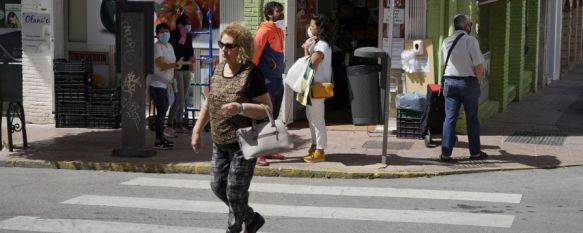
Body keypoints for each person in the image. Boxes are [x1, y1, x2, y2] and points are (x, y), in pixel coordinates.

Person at [191, 22, 272, 233]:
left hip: (243, 143)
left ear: (242, 48)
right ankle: (251, 218)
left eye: (229, 46)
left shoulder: (251, 73)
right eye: (222, 44)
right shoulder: (218, 69)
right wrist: (197, 130)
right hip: (219, 141)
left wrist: (241, 107)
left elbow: (266, 108)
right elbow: (210, 102)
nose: (224, 50)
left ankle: (234, 229)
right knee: (218, 187)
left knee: (235, 191)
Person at [439, 14, 488, 161]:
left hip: (450, 82)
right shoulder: (470, 40)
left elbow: (443, 63)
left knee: (450, 118)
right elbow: (479, 66)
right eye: (470, 24)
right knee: (472, 118)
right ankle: (475, 153)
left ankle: (446, 154)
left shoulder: (446, 41)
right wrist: (476, 81)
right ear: (466, 26)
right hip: (468, 83)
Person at [252, 1, 286, 166]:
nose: (281, 14)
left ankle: (270, 150)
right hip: (265, 79)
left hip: (277, 78)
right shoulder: (263, 31)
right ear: (269, 14)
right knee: (264, 115)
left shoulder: (279, 31)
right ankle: (259, 153)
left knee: (274, 116)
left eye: (281, 11)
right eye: (278, 11)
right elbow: (254, 57)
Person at [302, 14, 332, 163]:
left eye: (313, 26)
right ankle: (314, 146)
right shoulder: (318, 44)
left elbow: (311, 63)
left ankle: (320, 150)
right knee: (311, 118)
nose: (310, 28)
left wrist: (307, 49)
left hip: (317, 88)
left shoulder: (321, 46)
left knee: (317, 119)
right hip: (312, 87)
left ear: (319, 29)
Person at [149, 23, 177, 150]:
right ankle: (158, 141)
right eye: (162, 32)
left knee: (163, 112)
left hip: (166, 84)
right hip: (158, 84)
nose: (165, 34)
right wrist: (175, 65)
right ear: (157, 34)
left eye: (167, 31)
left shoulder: (169, 45)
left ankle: (161, 138)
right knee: (161, 113)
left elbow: (171, 63)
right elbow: (161, 65)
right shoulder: (157, 47)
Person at [168, 15, 194, 137]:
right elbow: (175, 50)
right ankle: (169, 124)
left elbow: (190, 51)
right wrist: (181, 38)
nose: (188, 26)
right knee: (178, 98)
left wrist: (192, 60)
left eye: (189, 23)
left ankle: (178, 125)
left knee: (182, 99)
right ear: (180, 25)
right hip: (176, 69)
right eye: (186, 23)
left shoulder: (189, 36)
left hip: (186, 69)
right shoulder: (172, 35)